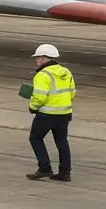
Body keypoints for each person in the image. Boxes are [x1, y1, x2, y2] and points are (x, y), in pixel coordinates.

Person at [26, 43, 75, 182]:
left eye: (38, 58)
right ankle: (65, 172)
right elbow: (72, 93)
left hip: (47, 114)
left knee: (35, 138)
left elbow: (40, 96)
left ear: (44, 58)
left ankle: (45, 168)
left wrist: (33, 107)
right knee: (62, 141)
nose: (36, 60)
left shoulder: (43, 75)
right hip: (65, 113)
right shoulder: (66, 72)